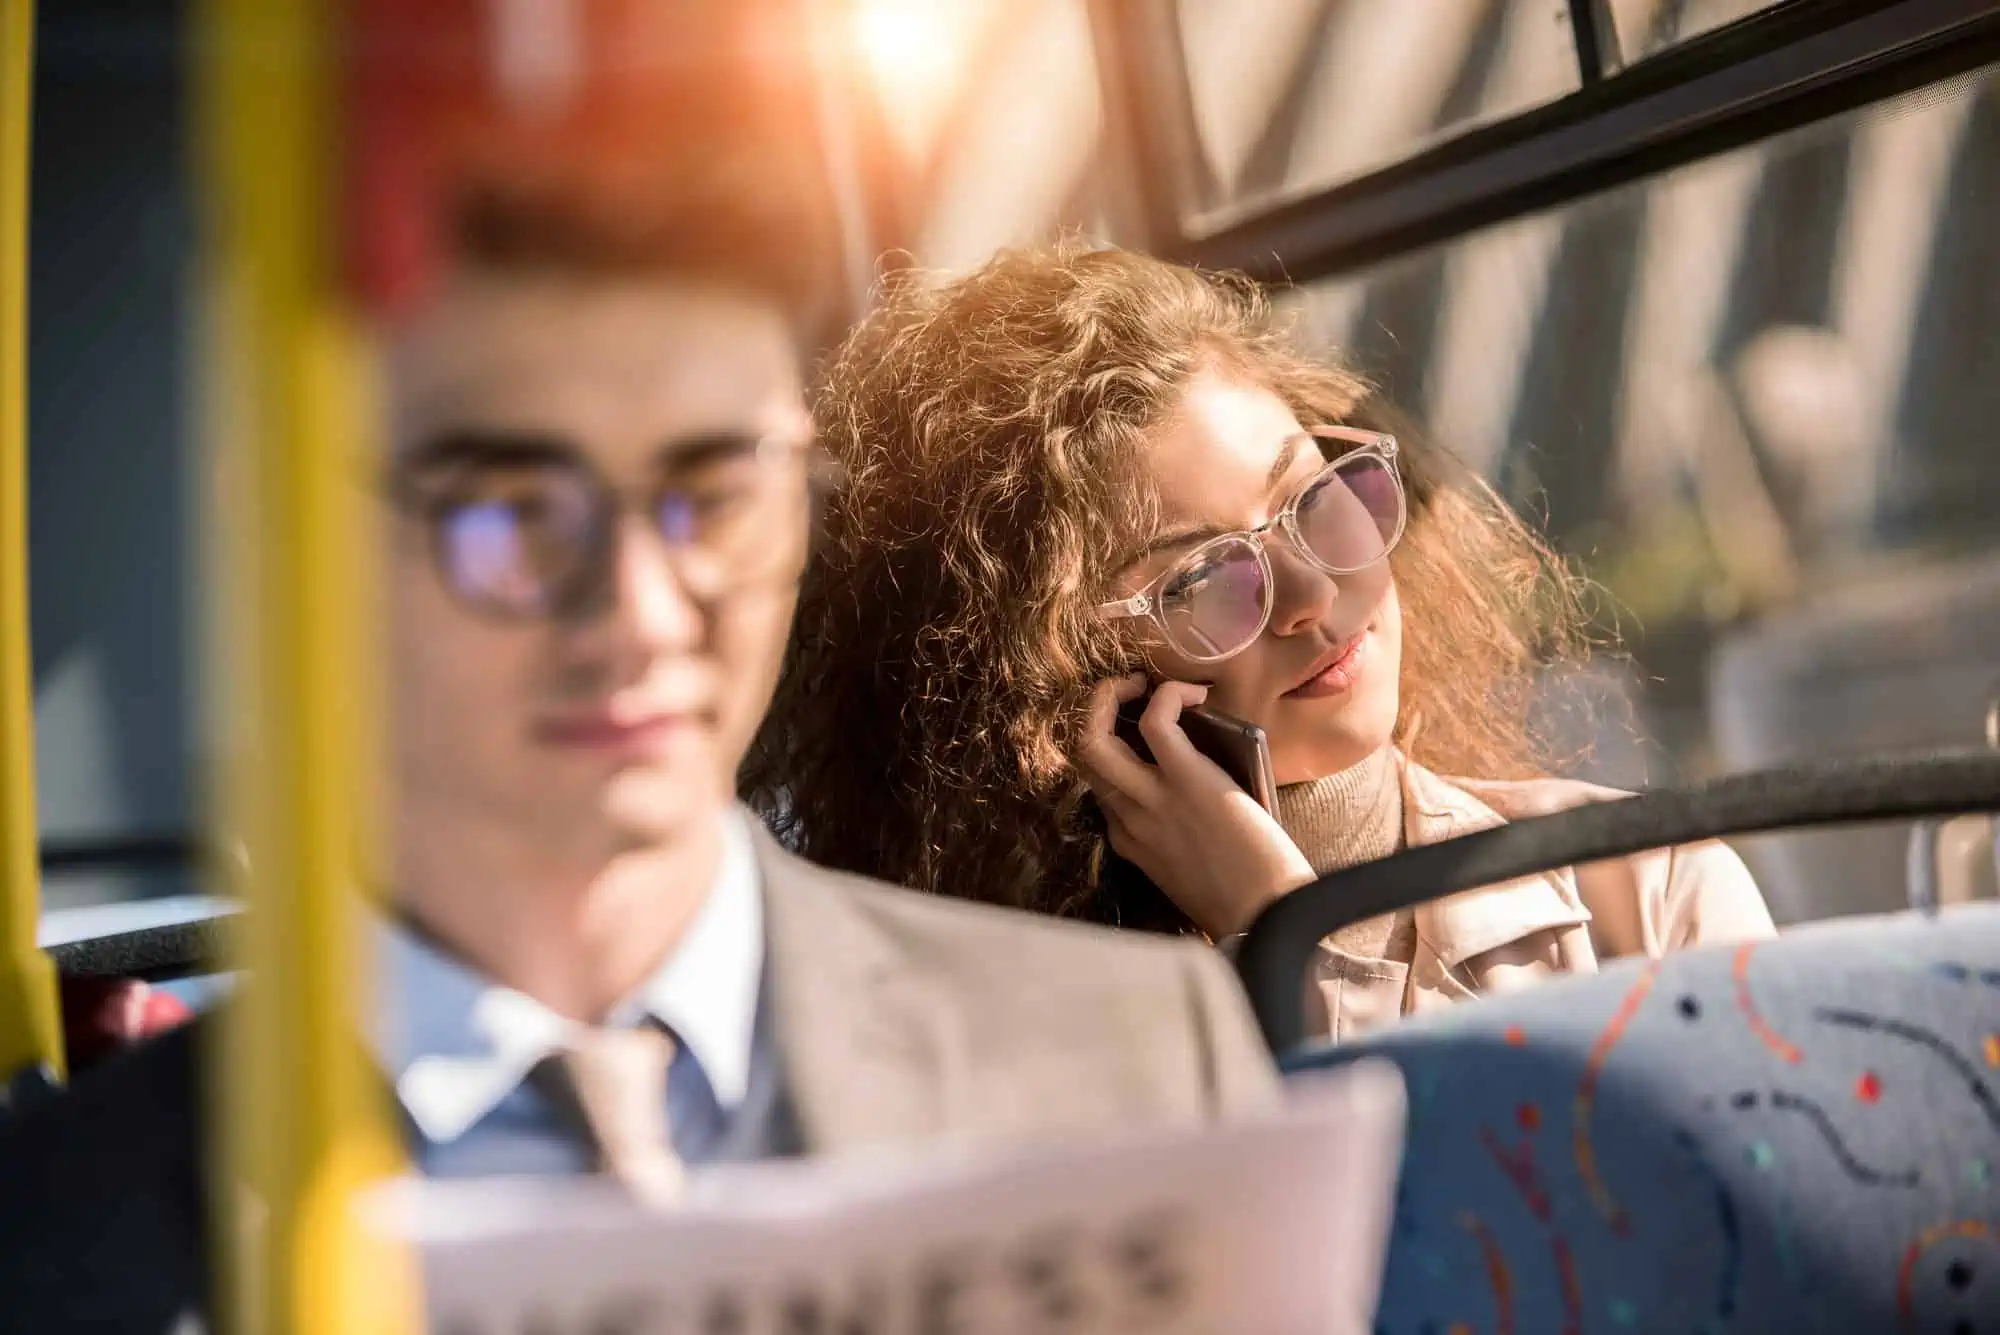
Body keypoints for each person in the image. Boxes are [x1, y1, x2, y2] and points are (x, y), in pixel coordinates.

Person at [0, 189, 1276, 1330]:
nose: (641, 614)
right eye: (507, 514)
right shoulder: (52, 1244)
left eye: (715, 498)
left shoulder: (1135, 1065)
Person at [746, 241, 1776, 1041]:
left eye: (1308, 497)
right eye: (1199, 577)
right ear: (1058, 686)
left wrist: (1281, 926)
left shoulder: (1639, 882)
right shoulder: (1023, 1034)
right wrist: (1285, 944)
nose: (1308, 590)